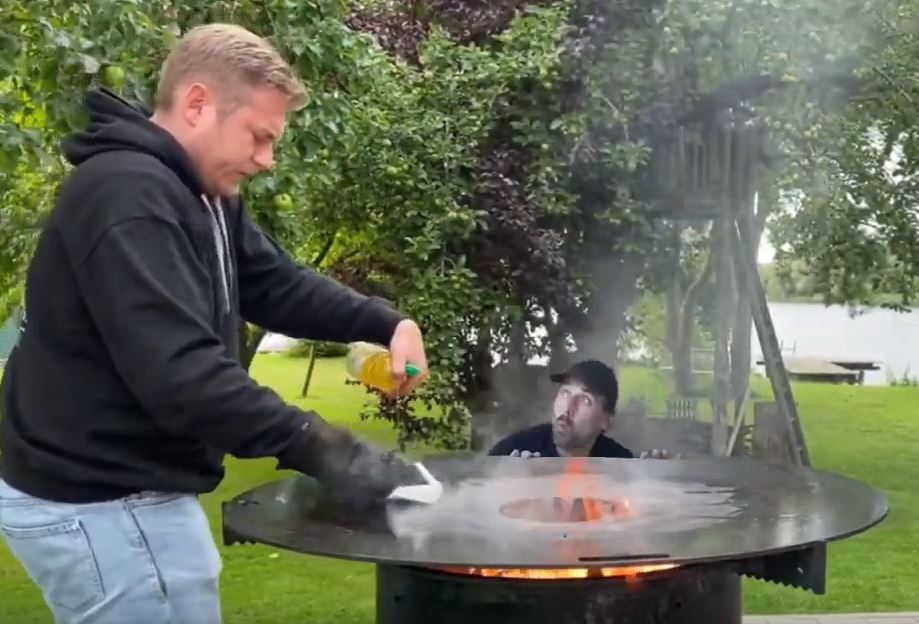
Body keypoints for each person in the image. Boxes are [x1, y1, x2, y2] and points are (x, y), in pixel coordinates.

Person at [0, 23, 426, 624]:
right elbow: (184, 378)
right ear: (198, 104)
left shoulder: (200, 193)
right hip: (104, 503)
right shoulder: (129, 195)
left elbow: (273, 283)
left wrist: (388, 323)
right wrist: (329, 449)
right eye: (258, 136)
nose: (267, 159)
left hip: (128, 496)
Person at [488, 359, 671, 459]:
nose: (567, 408)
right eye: (565, 393)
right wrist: (508, 479)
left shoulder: (618, 462)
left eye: (584, 400)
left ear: (607, 421)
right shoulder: (513, 451)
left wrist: (656, 479)